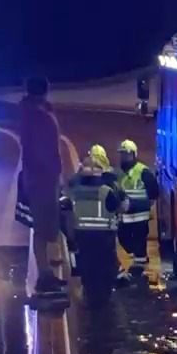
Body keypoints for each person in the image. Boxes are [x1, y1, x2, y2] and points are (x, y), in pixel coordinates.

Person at [15, 76, 66, 297]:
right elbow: (44, 151)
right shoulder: (38, 117)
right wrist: (55, 175)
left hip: (38, 179)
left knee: (43, 229)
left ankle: (46, 274)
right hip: (42, 180)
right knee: (45, 229)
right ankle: (45, 276)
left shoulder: (32, 113)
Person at [64, 144, 124, 304]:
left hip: (82, 236)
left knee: (87, 267)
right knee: (105, 267)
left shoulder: (75, 190)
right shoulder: (106, 190)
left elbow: (66, 211)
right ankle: (103, 298)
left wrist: (70, 237)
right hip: (104, 237)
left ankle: (90, 294)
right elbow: (119, 207)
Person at [115, 139, 158, 283]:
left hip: (140, 217)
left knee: (139, 244)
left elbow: (153, 193)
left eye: (126, 155)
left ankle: (139, 269)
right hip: (125, 217)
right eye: (121, 155)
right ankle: (139, 262)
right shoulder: (120, 173)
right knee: (124, 239)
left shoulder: (143, 171)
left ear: (133, 155)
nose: (123, 158)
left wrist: (141, 205)